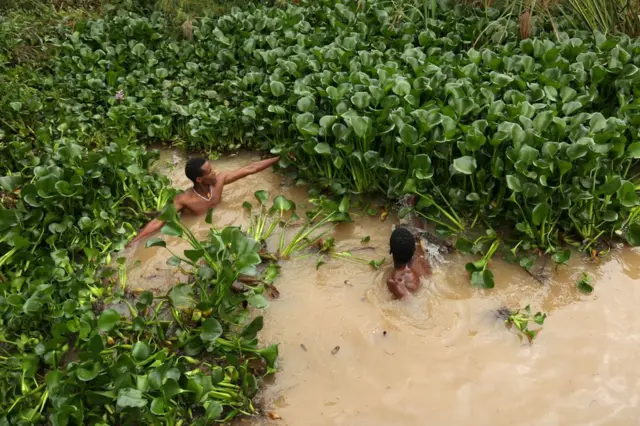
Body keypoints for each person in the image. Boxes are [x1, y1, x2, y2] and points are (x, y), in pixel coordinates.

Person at [127, 155, 282, 247]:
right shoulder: (184, 199)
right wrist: (133, 243)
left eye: (212, 168)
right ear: (200, 179)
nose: (214, 171)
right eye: (209, 171)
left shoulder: (219, 180)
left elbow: (250, 169)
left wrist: (279, 158)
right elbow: (158, 222)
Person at [386, 226, 432, 299]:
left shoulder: (395, 281)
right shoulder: (422, 259)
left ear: (390, 251)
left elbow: (411, 305)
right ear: (414, 249)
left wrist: (399, 289)